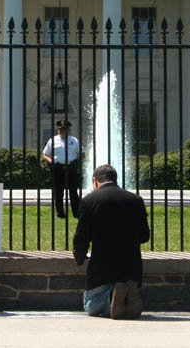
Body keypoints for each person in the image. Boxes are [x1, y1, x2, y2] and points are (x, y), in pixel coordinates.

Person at [73, 164, 150, 320]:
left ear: (95, 181)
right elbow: (144, 236)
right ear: (116, 180)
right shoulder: (135, 200)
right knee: (104, 295)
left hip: (102, 269)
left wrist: (80, 257)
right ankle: (126, 298)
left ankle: (111, 300)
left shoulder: (89, 201)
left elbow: (81, 237)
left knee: (90, 304)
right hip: (131, 268)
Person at [42, 119, 83, 218]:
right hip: (58, 168)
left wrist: (76, 161)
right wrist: (51, 162)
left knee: (73, 192)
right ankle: (60, 213)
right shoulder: (53, 140)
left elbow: (82, 153)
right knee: (58, 192)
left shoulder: (74, 140)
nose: (60, 131)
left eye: (63, 129)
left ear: (67, 130)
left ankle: (76, 213)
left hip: (71, 168)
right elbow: (45, 154)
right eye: (59, 129)